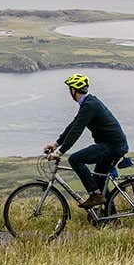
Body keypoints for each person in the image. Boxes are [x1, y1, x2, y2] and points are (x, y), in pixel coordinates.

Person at [45, 73, 129, 209]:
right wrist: (56, 144)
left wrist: (60, 152)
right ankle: (111, 216)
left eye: (69, 89)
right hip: (114, 145)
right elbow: (73, 125)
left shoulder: (89, 105)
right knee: (98, 182)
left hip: (112, 146)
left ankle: (95, 195)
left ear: (73, 90)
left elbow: (76, 131)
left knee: (75, 159)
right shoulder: (89, 103)